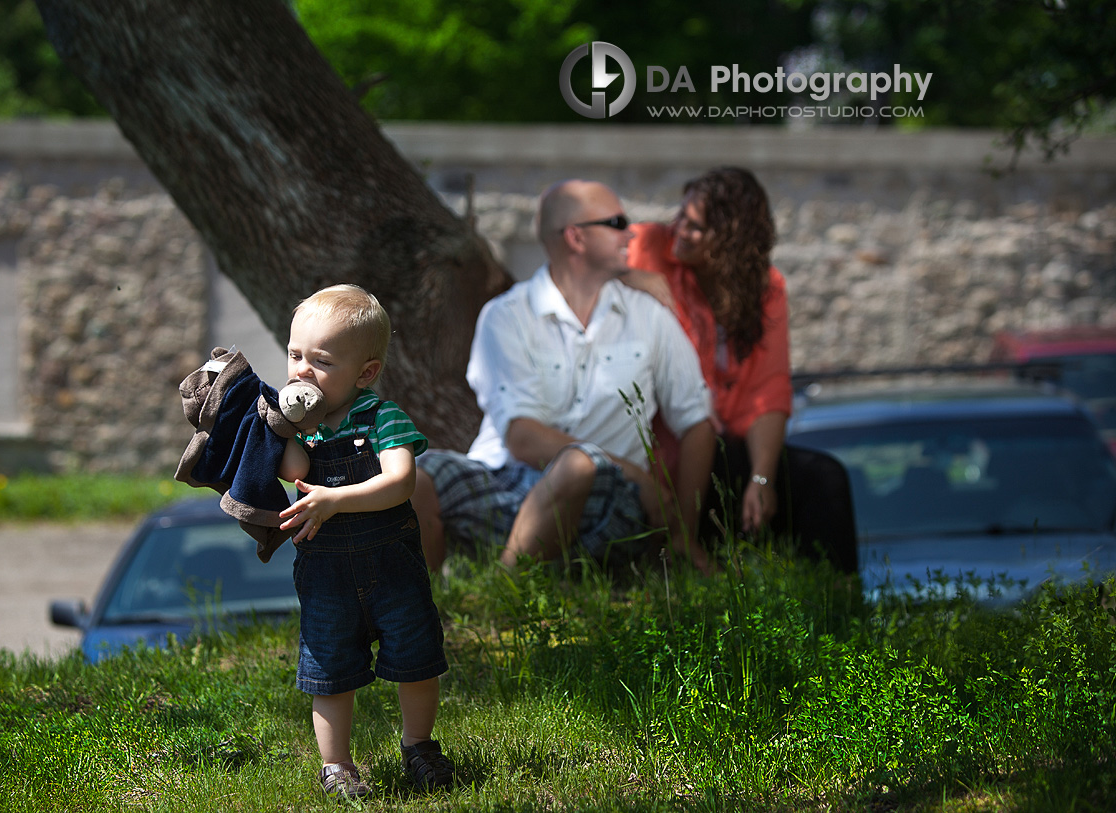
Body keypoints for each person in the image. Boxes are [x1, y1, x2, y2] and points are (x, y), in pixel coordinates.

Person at [413, 179, 716, 575]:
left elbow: (697, 422)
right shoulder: (507, 315)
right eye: (618, 222)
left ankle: (504, 592)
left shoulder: (649, 316)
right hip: (505, 486)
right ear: (576, 237)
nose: (632, 232)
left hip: (605, 502)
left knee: (579, 465)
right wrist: (638, 475)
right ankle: (427, 612)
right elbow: (522, 438)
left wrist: (683, 534)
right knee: (412, 475)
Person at [625, 167, 857, 573]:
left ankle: (835, 608)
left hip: (722, 448)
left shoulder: (767, 288)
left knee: (823, 479)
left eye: (695, 227)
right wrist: (625, 276)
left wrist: (762, 480)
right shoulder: (647, 245)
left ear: (731, 238)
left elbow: (768, 388)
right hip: (661, 444)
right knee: (701, 446)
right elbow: (580, 263)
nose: (678, 229)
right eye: (680, 215)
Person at [276, 284, 453, 799]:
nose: (302, 371)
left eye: (321, 361)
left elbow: (401, 482)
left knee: (416, 658)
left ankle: (419, 745)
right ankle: (336, 766)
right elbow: (293, 470)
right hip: (327, 576)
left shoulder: (382, 417)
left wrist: (336, 499)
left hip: (392, 567)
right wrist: (283, 427)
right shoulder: (303, 431)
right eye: (294, 355)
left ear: (366, 373)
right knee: (329, 669)